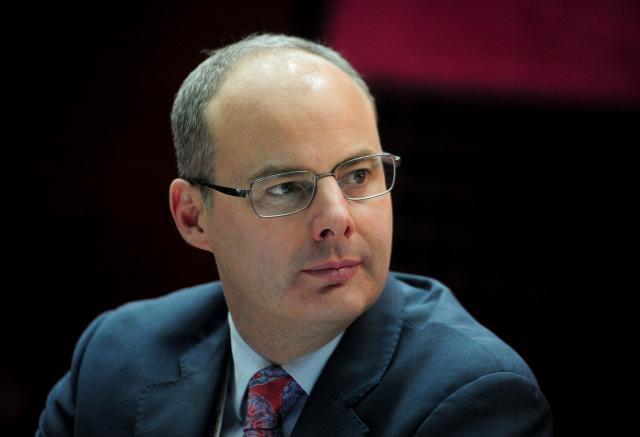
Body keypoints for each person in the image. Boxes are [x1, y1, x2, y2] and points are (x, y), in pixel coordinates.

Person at [37, 33, 553, 436]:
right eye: (285, 188)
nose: (337, 217)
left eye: (358, 175)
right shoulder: (117, 353)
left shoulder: (473, 398)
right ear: (193, 217)